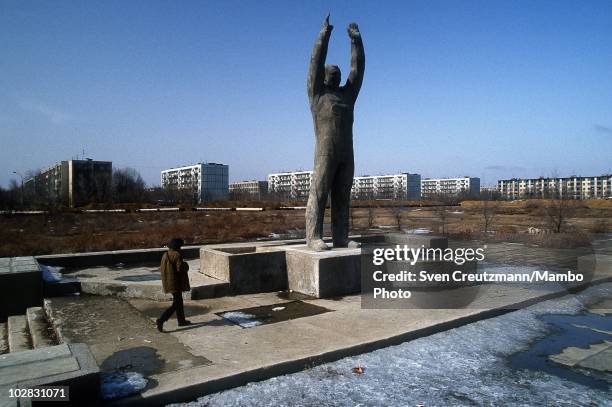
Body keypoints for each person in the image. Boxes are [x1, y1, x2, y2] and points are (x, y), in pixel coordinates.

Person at [305, 14, 365, 251]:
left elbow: (357, 70)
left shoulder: (347, 95)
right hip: (325, 153)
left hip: (346, 153)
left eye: (339, 74)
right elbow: (315, 63)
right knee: (319, 194)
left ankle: (340, 236)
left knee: (342, 196)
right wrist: (324, 34)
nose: (338, 76)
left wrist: (356, 42)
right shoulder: (317, 95)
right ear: (325, 77)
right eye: (333, 73)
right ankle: (313, 236)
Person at [156, 238, 192, 332]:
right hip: (175, 283)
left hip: (168, 282)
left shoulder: (166, 254)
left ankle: (181, 321)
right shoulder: (177, 255)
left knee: (179, 302)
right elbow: (180, 269)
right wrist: (186, 265)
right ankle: (161, 320)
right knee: (176, 304)